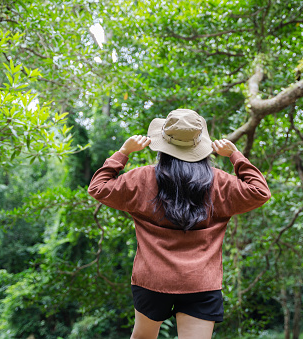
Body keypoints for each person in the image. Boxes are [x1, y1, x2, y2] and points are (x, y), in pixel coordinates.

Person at [88, 109, 271, 339]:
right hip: (201, 282)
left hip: (153, 279)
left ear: (162, 145)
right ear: (200, 145)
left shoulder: (141, 179)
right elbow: (260, 191)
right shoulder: (220, 183)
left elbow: (98, 187)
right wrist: (235, 155)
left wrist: (123, 152)